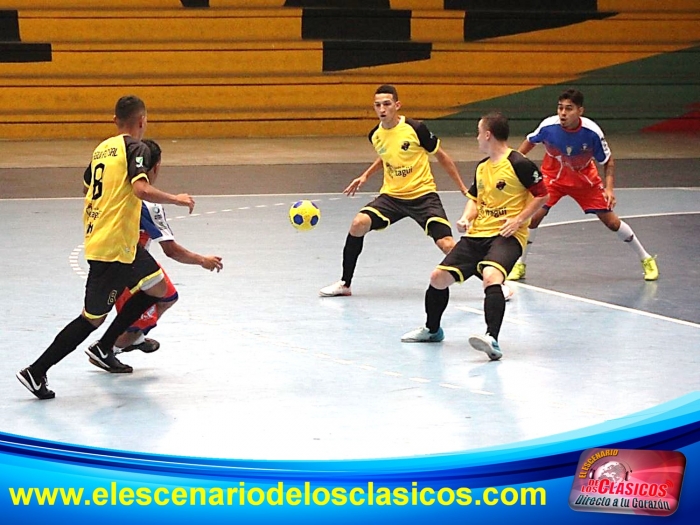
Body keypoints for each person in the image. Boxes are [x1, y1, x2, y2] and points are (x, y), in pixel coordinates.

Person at [16, 95, 195, 400]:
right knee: (91, 318)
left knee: (156, 289)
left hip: (107, 239)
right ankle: (37, 370)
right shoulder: (136, 148)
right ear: (142, 121)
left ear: (115, 120)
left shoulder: (102, 148)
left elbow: (88, 185)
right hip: (113, 246)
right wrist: (176, 198)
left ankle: (105, 346)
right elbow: (141, 188)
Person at [401, 112, 548, 361]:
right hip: (478, 234)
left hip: (506, 235)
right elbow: (475, 199)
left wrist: (518, 220)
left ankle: (492, 338)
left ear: (488, 135)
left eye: (479, 132)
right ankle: (432, 330)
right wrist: (466, 217)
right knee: (438, 278)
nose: (477, 137)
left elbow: (542, 194)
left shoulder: (519, 163)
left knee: (491, 276)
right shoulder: (482, 167)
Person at [319, 84, 469, 297]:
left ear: (397, 105)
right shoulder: (375, 135)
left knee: (447, 244)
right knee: (358, 224)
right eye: (377, 105)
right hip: (392, 197)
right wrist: (365, 175)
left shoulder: (416, 129)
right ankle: (345, 283)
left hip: (423, 196)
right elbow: (387, 154)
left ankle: (493, 282)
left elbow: (442, 156)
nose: (382, 109)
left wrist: (462, 187)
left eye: (387, 104)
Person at [506, 88, 659, 282]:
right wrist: (517, 167)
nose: (562, 113)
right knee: (534, 218)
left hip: (584, 181)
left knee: (612, 223)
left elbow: (608, 162)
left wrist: (609, 189)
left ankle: (646, 258)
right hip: (552, 179)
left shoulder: (592, 133)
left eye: (569, 109)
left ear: (580, 111)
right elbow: (529, 142)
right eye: (560, 108)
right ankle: (520, 264)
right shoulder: (548, 126)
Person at [106, 139, 223, 357]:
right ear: (157, 166)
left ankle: (132, 337)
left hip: (114, 256)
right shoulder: (149, 206)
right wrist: (202, 260)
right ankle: (108, 348)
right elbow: (171, 250)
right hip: (127, 266)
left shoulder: (118, 192)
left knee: (168, 296)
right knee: (131, 320)